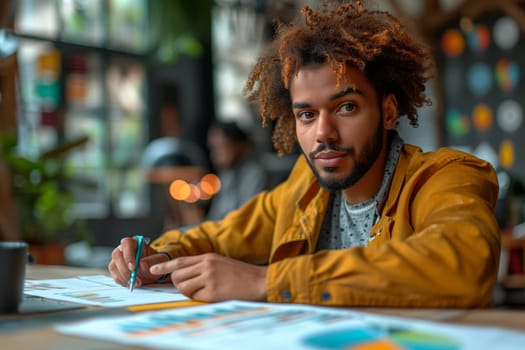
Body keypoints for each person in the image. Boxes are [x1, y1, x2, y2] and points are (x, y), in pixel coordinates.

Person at [109, 0, 500, 307]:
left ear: (388, 111)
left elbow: (462, 262)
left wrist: (267, 282)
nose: (323, 134)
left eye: (346, 107)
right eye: (307, 115)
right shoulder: (304, 189)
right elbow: (217, 236)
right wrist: (156, 257)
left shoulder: (448, 175)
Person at [205, 120, 268, 220]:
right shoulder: (226, 174)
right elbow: (215, 216)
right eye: (213, 148)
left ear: (240, 145)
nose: (215, 155)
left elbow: (245, 218)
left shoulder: (254, 173)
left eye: (222, 147)